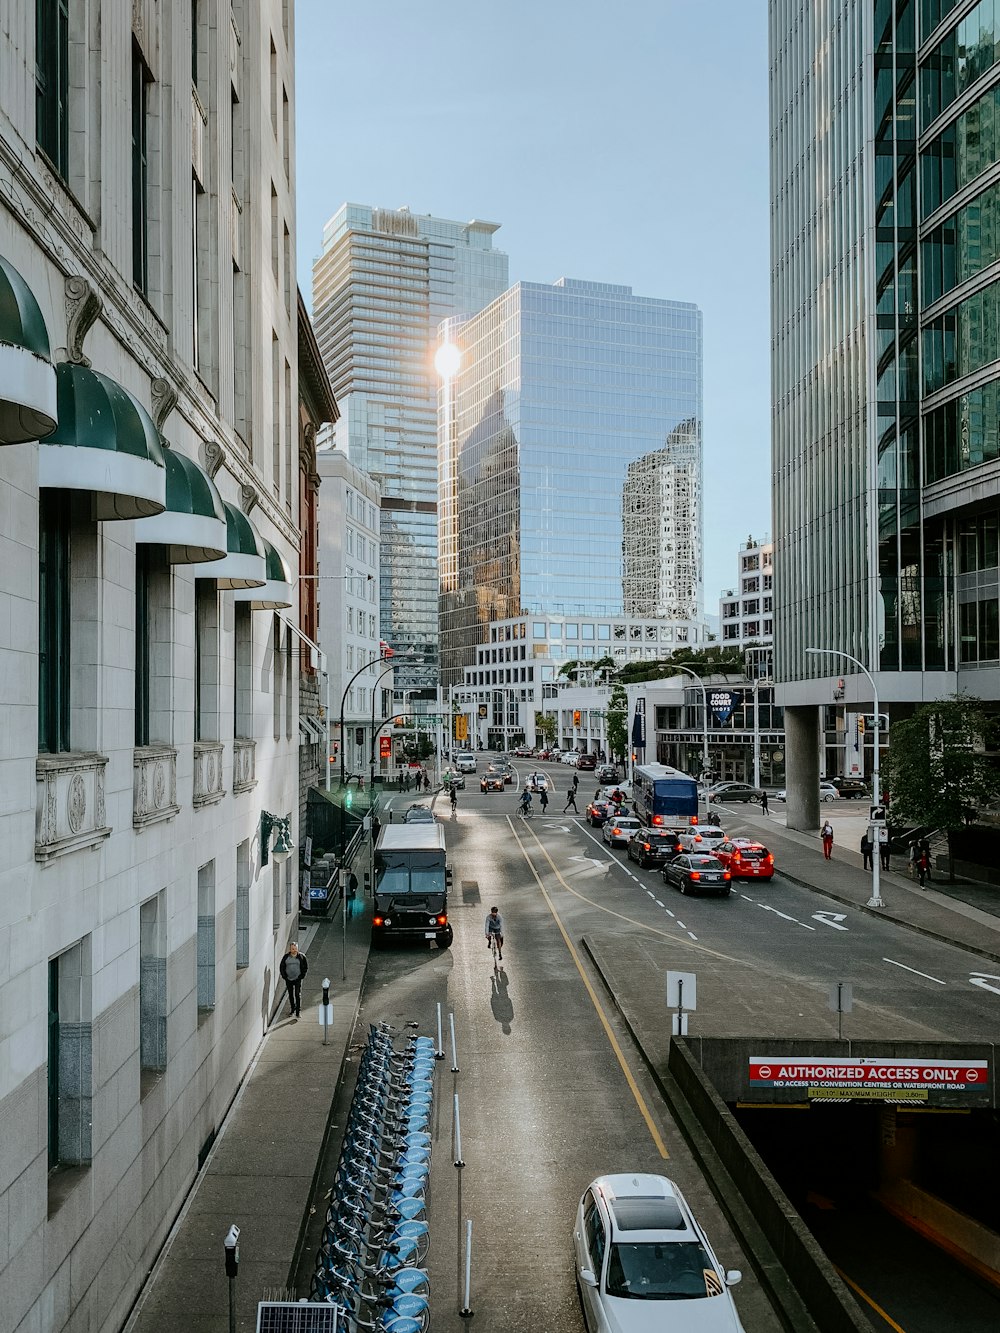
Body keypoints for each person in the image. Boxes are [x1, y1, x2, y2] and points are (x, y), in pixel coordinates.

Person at [279, 940, 308, 1019]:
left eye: (295, 948)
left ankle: (298, 1012)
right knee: (291, 995)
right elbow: (282, 967)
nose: (294, 950)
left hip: (298, 979)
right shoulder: (286, 957)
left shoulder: (302, 957)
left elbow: (305, 967)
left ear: (297, 949)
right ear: (290, 949)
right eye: (292, 949)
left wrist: (301, 976)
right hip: (289, 979)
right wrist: (284, 976)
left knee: (297, 994)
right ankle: (292, 1010)